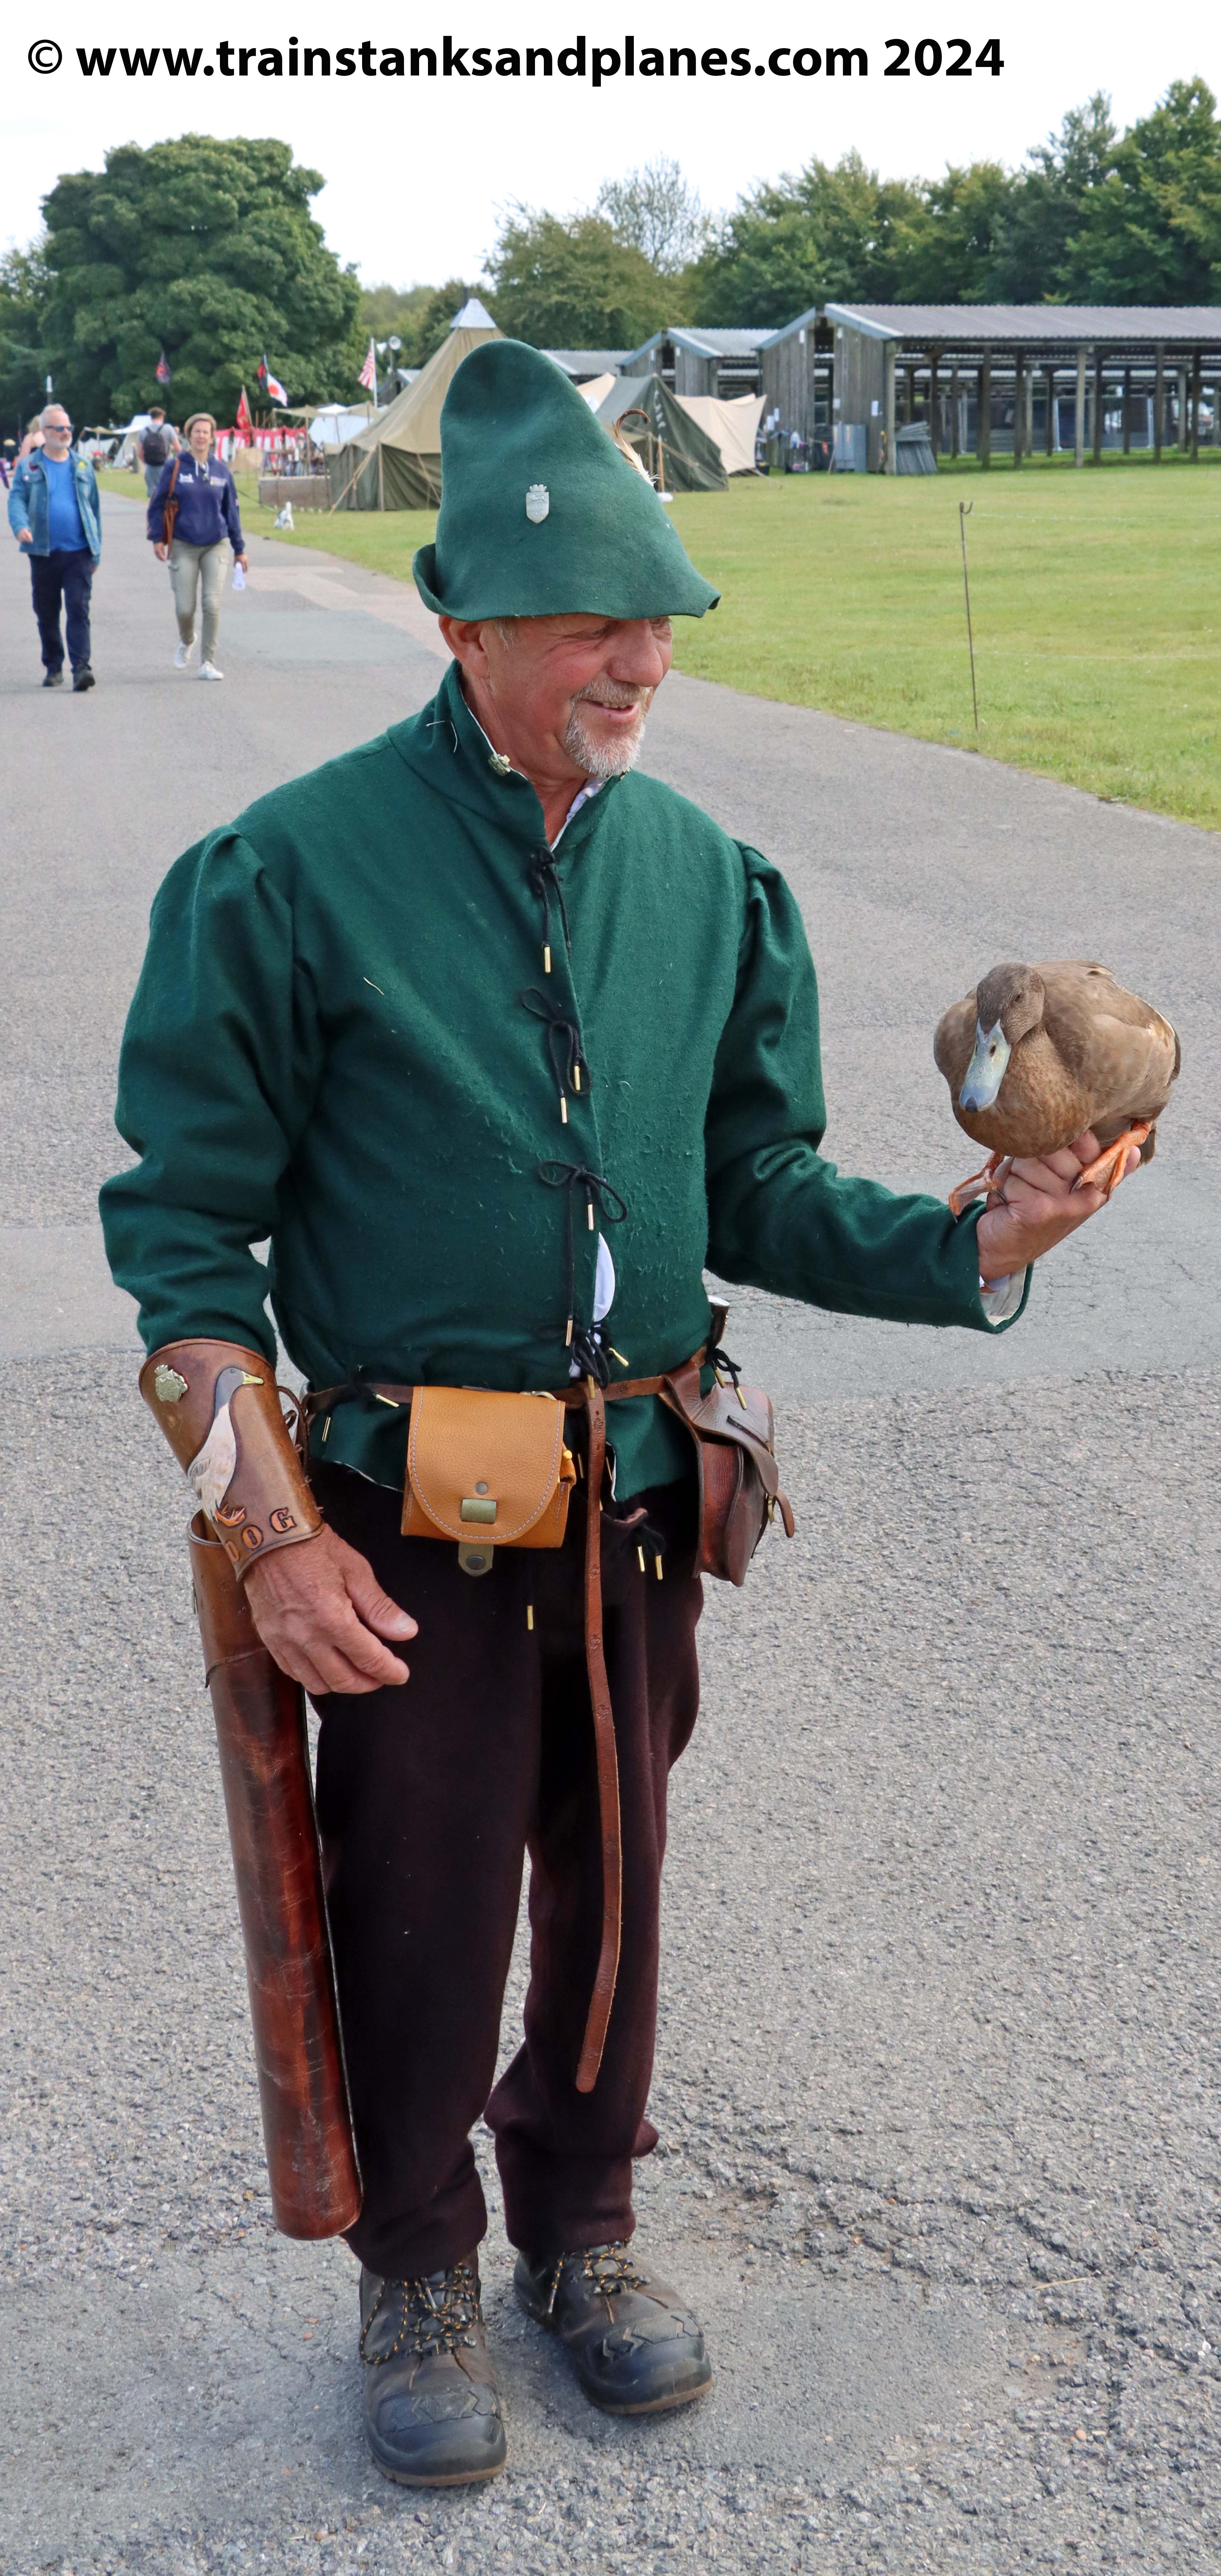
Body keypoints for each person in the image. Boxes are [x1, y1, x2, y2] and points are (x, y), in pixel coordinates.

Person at [101, 340, 1137, 2491]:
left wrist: (978, 1237)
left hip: (644, 1493)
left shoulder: (705, 880)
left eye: (658, 618)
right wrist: (271, 1531)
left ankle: (579, 2224)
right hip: (404, 1508)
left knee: (616, 1879)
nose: (640, 660)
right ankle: (416, 2264)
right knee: (417, 1898)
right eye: (590, 624)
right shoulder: (285, 876)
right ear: (465, 625)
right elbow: (185, 1241)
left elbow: (753, 1181)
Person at [7, 403, 101, 691]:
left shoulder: (83, 466)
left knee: (78, 609)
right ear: (44, 432)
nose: (66, 432)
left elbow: (94, 509)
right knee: (47, 613)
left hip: (79, 552)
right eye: (59, 428)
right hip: (43, 552)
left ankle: (82, 669)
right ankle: (53, 666)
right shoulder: (29, 465)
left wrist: (96, 551)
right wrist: (20, 525)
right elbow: (16, 499)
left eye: (68, 427)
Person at [147, 411, 247, 681]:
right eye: (197, 432)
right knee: (185, 608)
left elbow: (232, 512)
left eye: (206, 432)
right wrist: (157, 538)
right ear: (189, 436)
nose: (201, 436)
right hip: (184, 544)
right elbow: (157, 505)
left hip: (216, 544)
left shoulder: (222, 470)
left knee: (212, 604)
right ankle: (188, 639)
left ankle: (208, 663)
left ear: (213, 438)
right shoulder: (175, 467)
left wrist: (240, 549)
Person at [137, 405, 179, 498]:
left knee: (153, 497)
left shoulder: (143, 431)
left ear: (151, 417)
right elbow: (178, 449)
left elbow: (139, 453)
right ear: (162, 417)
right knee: (167, 496)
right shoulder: (168, 429)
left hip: (150, 468)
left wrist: (147, 462)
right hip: (166, 466)